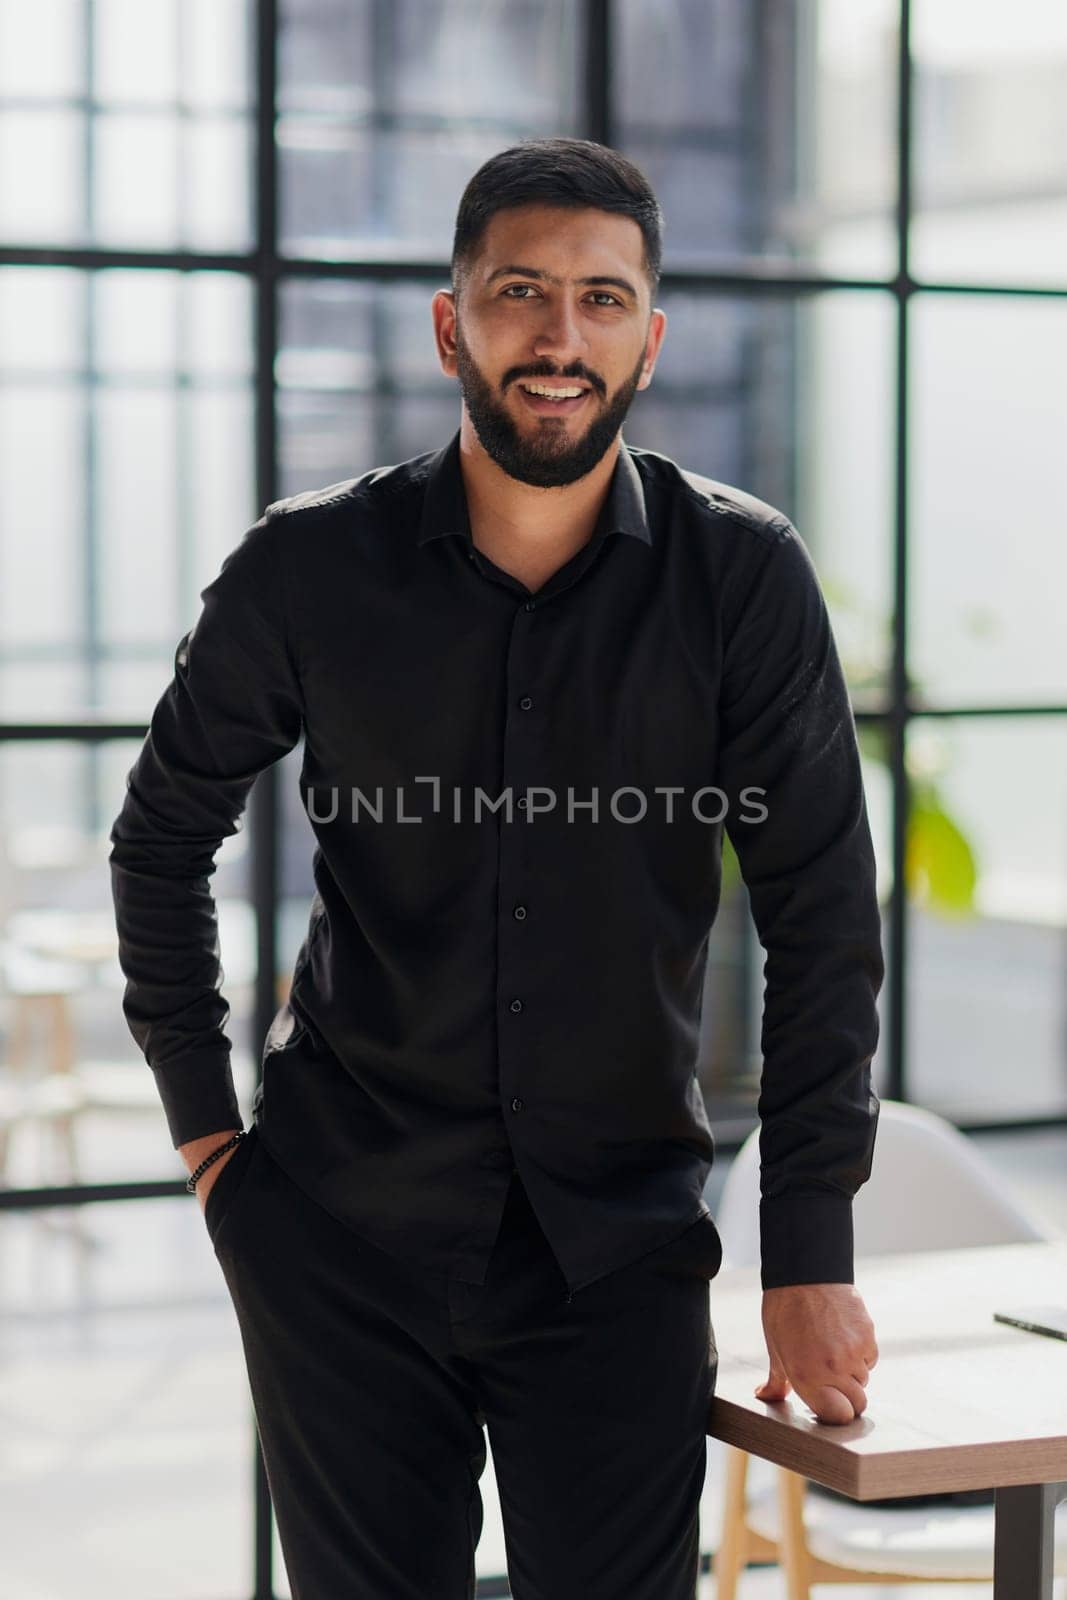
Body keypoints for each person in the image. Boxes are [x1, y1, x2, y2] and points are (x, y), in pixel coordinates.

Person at [108, 137, 883, 1600]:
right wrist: (214, 1148)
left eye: (601, 300)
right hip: (340, 1241)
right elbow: (161, 834)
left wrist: (809, 1250)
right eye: (521, 291)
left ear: (649, 339)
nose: (559, 335)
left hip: (620, 1254)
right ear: (453, 322)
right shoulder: (309, 570)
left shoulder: (740, 580)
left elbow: (823, 913)